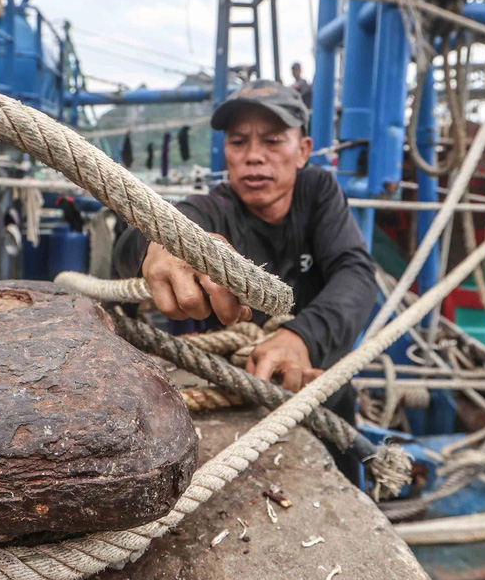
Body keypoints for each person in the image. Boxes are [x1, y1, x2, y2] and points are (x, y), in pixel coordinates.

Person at [113, 80, 375, 394]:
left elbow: (356, 272)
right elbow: (137, 239)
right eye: (238, 142)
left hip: (314, 380)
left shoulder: (318, 192)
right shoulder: (213, 208)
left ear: (303, 151)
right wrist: (159, 245)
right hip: (231, 383)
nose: (253, 156)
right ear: (226, 152)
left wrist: (303, 337)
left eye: (273, 141)